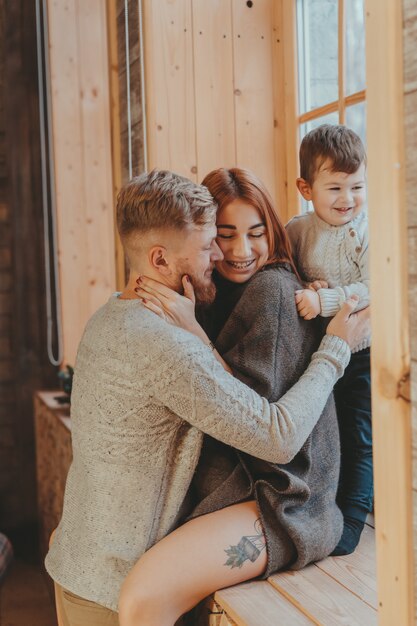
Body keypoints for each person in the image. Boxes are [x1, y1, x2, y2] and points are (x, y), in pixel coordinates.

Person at [121, 167, 369, 626]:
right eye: (224, 235)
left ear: (272, 231)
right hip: (249, 483)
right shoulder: (214, 292)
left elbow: (257, 427)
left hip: (283, 495)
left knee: (145, 598)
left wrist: (193, 333)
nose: (240, 251)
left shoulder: (273, 293)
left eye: (255, 233)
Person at [286, 124, 371, 556]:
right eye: (335, 187)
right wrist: (304, 284)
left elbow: (374, 287)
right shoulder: (299, 231)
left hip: (360, 352)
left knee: (359, 436)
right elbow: (283, 273)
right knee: (323, 435)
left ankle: (353, 520)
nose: (348, 199)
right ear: (306, 188)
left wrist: (327, 299)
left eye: (357, 186)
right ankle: (323, 509)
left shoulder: (365, 232)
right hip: (318, 356)